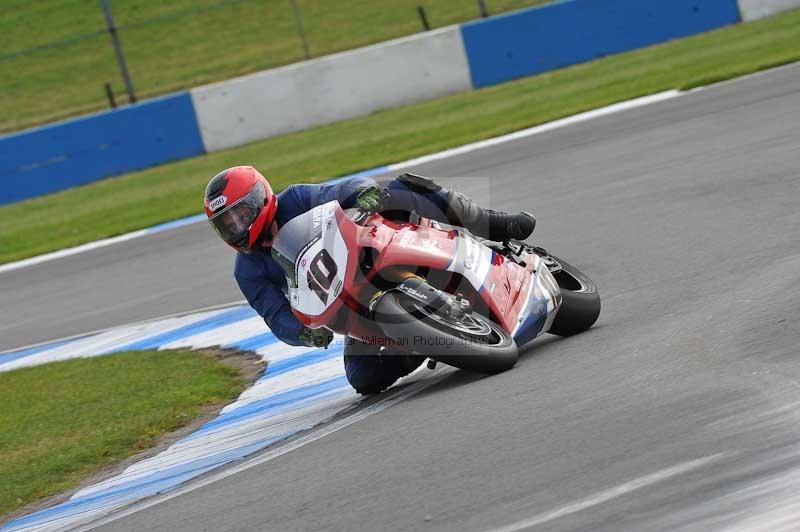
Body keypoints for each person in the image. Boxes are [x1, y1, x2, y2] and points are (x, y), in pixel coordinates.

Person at [204, 166, 535, 394]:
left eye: (241, 214)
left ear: (261, 198)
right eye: (227, 223)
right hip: (347, 306)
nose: (238, 227)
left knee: (401, 187)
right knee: (363, 379)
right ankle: (423, 340)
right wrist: (303, 333)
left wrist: (362, 194)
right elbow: (274, 314)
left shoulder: (296, 199)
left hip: (370, 253)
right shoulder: (246, 270)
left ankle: (491, 223)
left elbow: (340, 190)